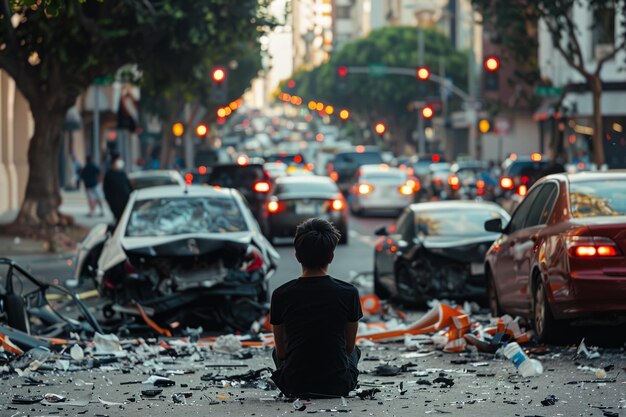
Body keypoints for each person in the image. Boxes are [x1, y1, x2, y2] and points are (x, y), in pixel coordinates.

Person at [270, 218, 362, 397]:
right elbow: (349, 348)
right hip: (339, 385)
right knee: (355, 351)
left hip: (294, 386)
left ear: (297, 256)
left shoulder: (280, 294)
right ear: (331, 257)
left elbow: (281, 353)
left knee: (276, 351)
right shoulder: (349, 293)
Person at [103, 153, 132, 222]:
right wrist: (110, 201)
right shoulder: (109, 174)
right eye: (119, 159)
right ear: (114, 161)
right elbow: (106, 190)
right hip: (115, 203)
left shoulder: (122, 174)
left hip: (126, 201)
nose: (120, 161)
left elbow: (129, 187)